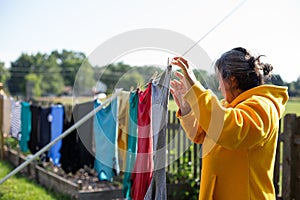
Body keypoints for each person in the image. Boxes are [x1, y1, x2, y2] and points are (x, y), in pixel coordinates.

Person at [170, 47, 289, 200]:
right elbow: (200, 134)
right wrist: (186, 109)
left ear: (232, 80)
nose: (219, 87)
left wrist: (196, 89)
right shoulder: (228, 107)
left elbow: (230, 130)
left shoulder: (263, 106)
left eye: (219, 80)